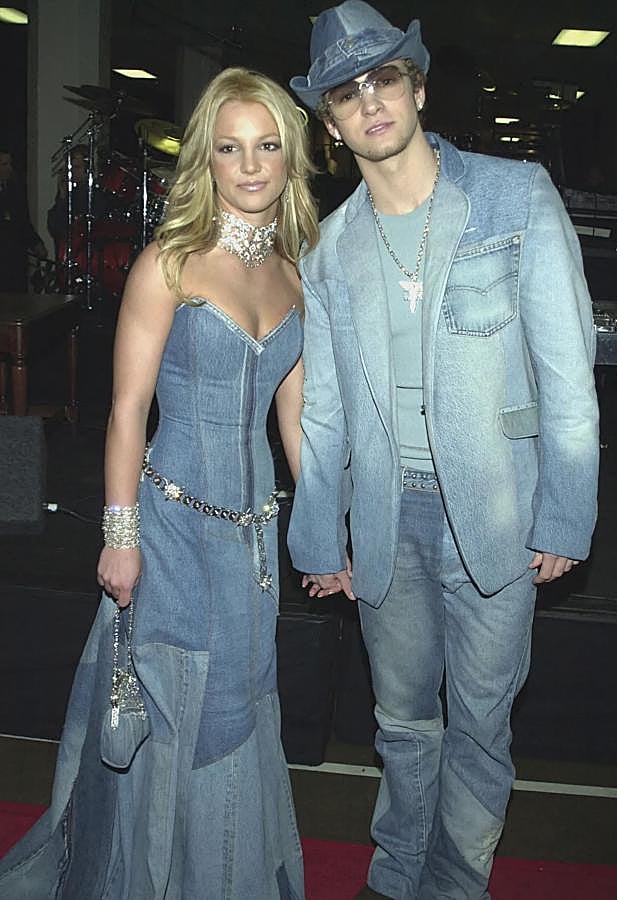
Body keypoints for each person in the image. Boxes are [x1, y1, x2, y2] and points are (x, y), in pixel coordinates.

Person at [288, 3, 599, 899]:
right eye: (347, 93)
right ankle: (394, 878)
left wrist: (567, 515)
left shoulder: (513, 193)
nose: (370, 102)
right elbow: (326, 413)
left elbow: (567, 375)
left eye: (384, 78)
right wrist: (321, 538)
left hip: (498, 511)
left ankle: (456, 883)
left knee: (480, 722)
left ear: (416, 86)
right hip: (390, 518)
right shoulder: (329, 246)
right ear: (332, 125)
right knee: (401, 723)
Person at [0, 67, 317, 899]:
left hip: (251, 542)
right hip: (170, 532)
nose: (250, 165)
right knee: (175, 711)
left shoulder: (295, 275)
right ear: (206, 161)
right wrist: (120, 536)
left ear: (290, 158)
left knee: (240, 708)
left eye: (268, 146)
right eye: (230, 148)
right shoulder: (167, 265)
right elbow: (125, 412)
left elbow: (295, 427)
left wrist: (325, 528)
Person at [0, 147, 47, 291]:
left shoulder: (15, 189)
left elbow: (23, 222)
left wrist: (36, 243)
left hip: (15, 257)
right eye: (4, 164)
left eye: (10, 164)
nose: (9, 168)